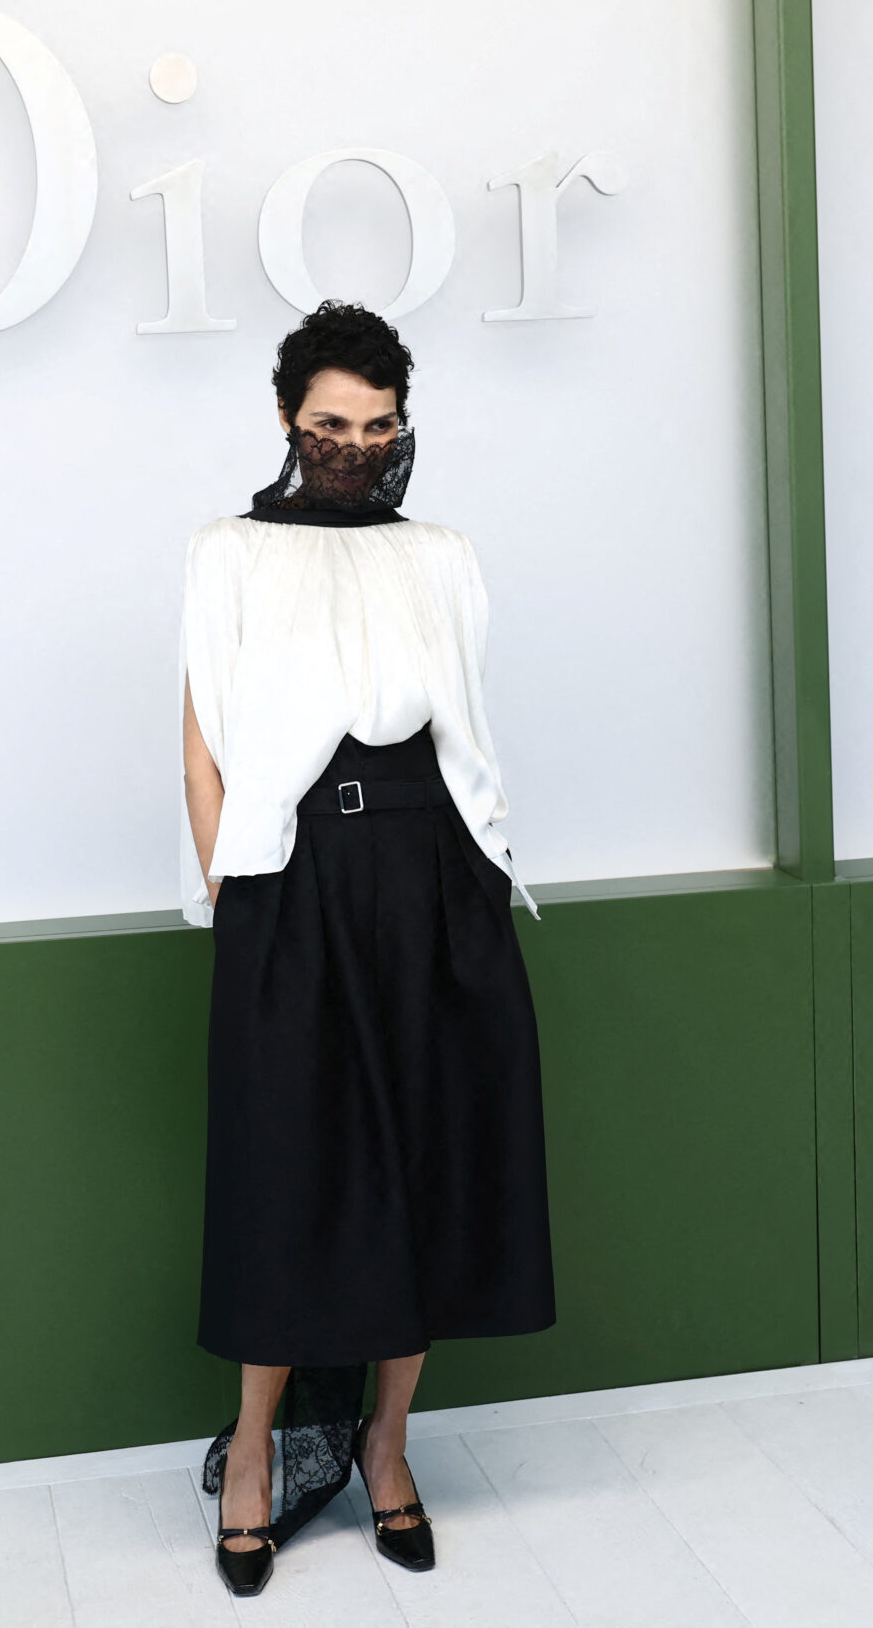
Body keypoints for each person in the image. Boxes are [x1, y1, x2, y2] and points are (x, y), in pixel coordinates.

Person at [177, 302, 556, 1598]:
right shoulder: (229, 552)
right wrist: (231, 895)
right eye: (331, 423)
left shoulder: (439, 556)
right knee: (288, 1169)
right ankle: (252, 1457)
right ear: (290, 419)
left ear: (403, 427)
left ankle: (389, 1449)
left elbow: (466, 727)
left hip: (436, 871)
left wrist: (483, 873)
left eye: (378, 425)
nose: (353, 445)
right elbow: (203, 742)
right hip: (292, 879)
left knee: (431, 1161)